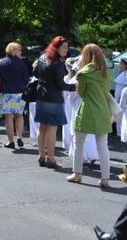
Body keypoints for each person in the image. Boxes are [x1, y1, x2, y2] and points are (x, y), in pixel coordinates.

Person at [67, 43, 112, 188]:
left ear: (85, 56)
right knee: (103, 145)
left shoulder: (83, 74)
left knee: (78, 142)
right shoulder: (107, 72)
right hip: (103, 111)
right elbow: (106, 93)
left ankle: (77, 174)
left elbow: (81, 93)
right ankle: (105, 179)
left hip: (87, 110)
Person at [34, 36, 76, 168]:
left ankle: (41, 157)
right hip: (53, 98)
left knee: (42, 127)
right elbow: (61, 85)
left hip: (41, 96)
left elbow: (35, 73)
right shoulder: (57, 63)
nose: (66, 49)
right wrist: (74, 87)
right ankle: (51, 159)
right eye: (63, 47)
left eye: (67, 47)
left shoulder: (42, 58)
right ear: (56, 47)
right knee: (52, 129)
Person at [63, 57, 99, 166]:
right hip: (90, 105)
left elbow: (71, 97)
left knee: (77, 132)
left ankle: (83, 157)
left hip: (78, 106)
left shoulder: (76, 79)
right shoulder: (93, 77)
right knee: (89, 132)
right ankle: (92, 154)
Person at [0, 42, 30, 149]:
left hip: (6, 93)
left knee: (9, 118)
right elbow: (26, 79)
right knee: (19, 115)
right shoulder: (22, 63)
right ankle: (19, 137)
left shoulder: (1, 62)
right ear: (14, 51)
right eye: (20, 50)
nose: (21, 52)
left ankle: (10, 141)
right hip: (20, 94)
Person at [115, 58, 127, 137]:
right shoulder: (124, 74)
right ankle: (121, 133)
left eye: (121, 64)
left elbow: (120, 92)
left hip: (123, 101)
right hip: (120, 101)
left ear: (125, 65)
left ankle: (123, 133)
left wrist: (117, 100)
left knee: (123, 117)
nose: (119, 65)